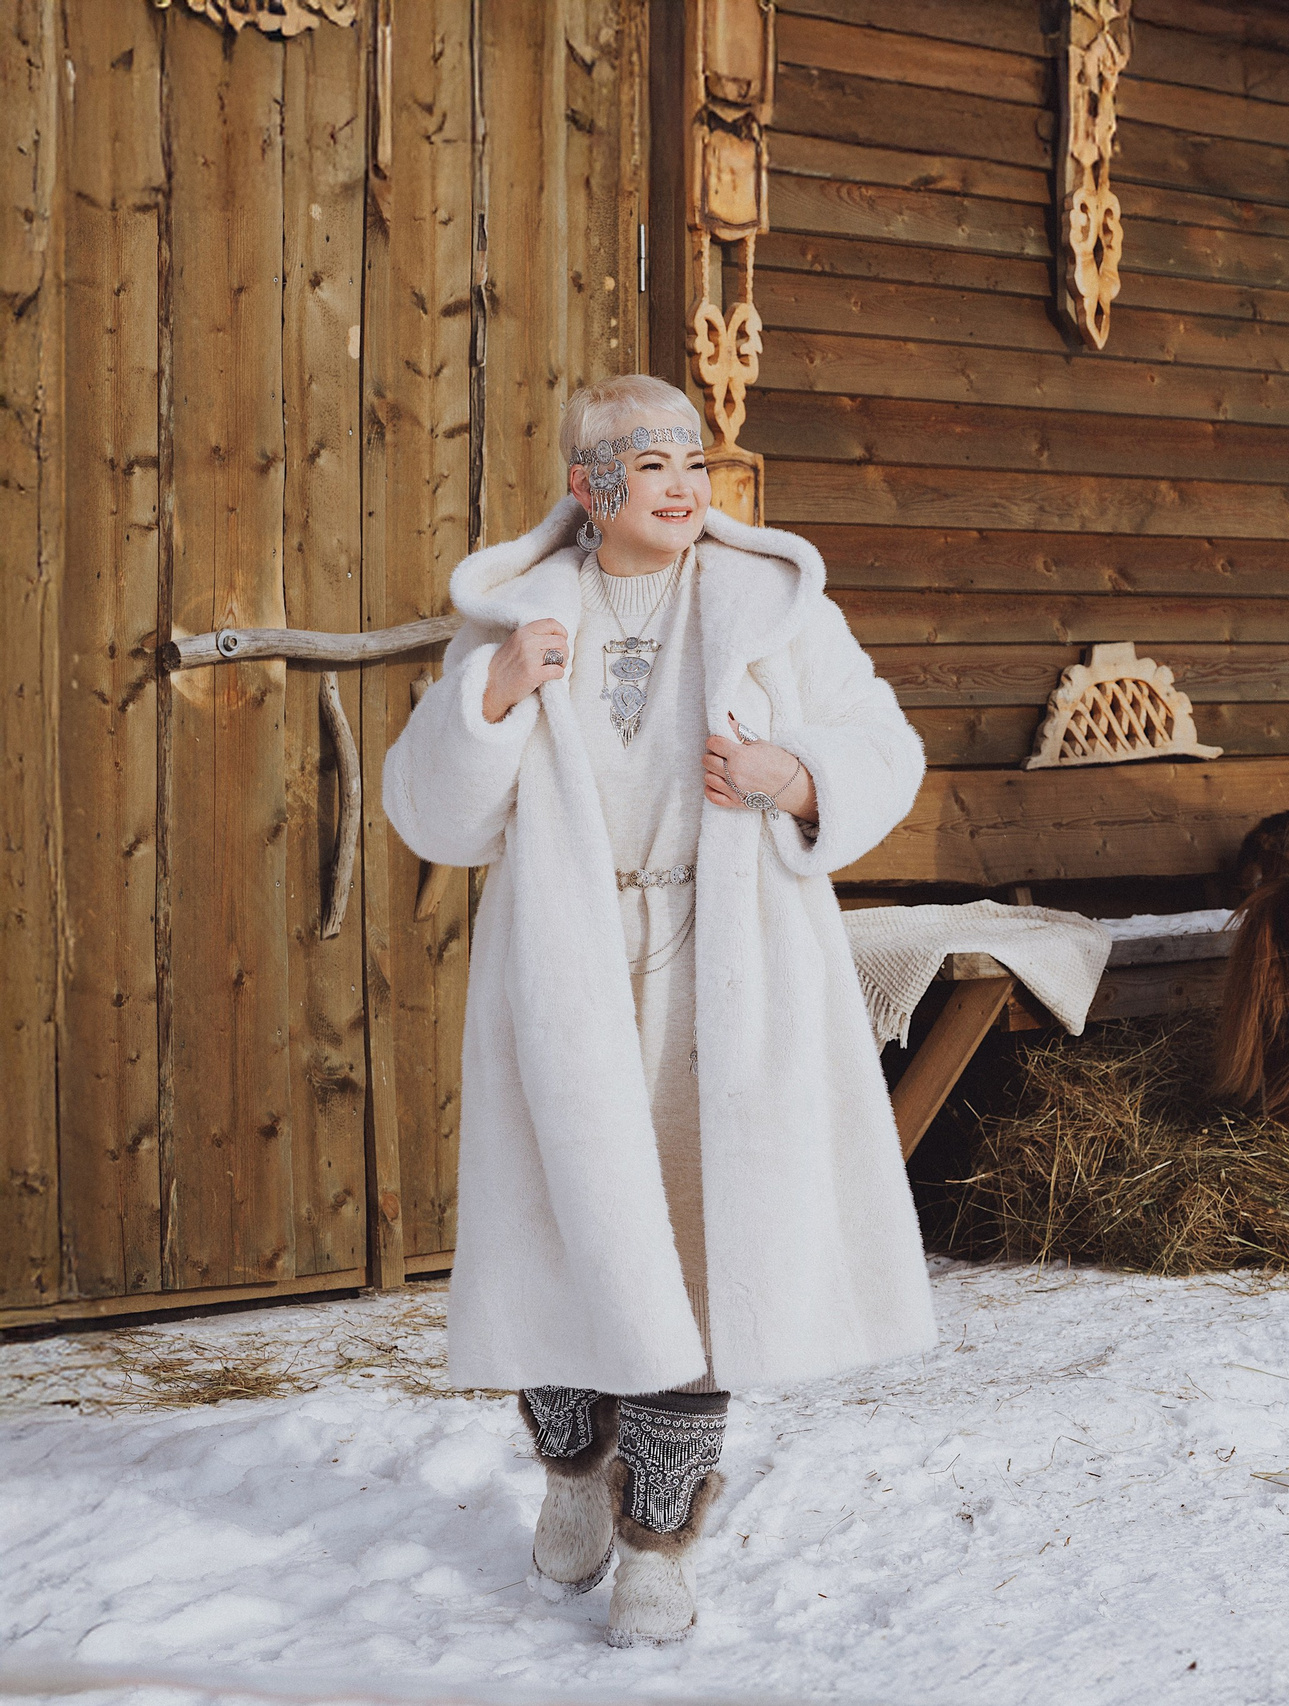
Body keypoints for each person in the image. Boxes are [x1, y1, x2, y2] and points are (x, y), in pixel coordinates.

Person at [383, 374, 932, 1646]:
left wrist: (795, 773)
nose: (686, 484)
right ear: (590, 485)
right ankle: (575, 1473)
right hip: (571, 963)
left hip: (721, 958)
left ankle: (658, 1535)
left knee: (698, 1239)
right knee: (574, 1222)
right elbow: (436, 815)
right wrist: (496, 696)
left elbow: (884, 744)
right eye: (654, 464)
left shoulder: (768, 603)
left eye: (695, 460)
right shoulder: (518, 616)